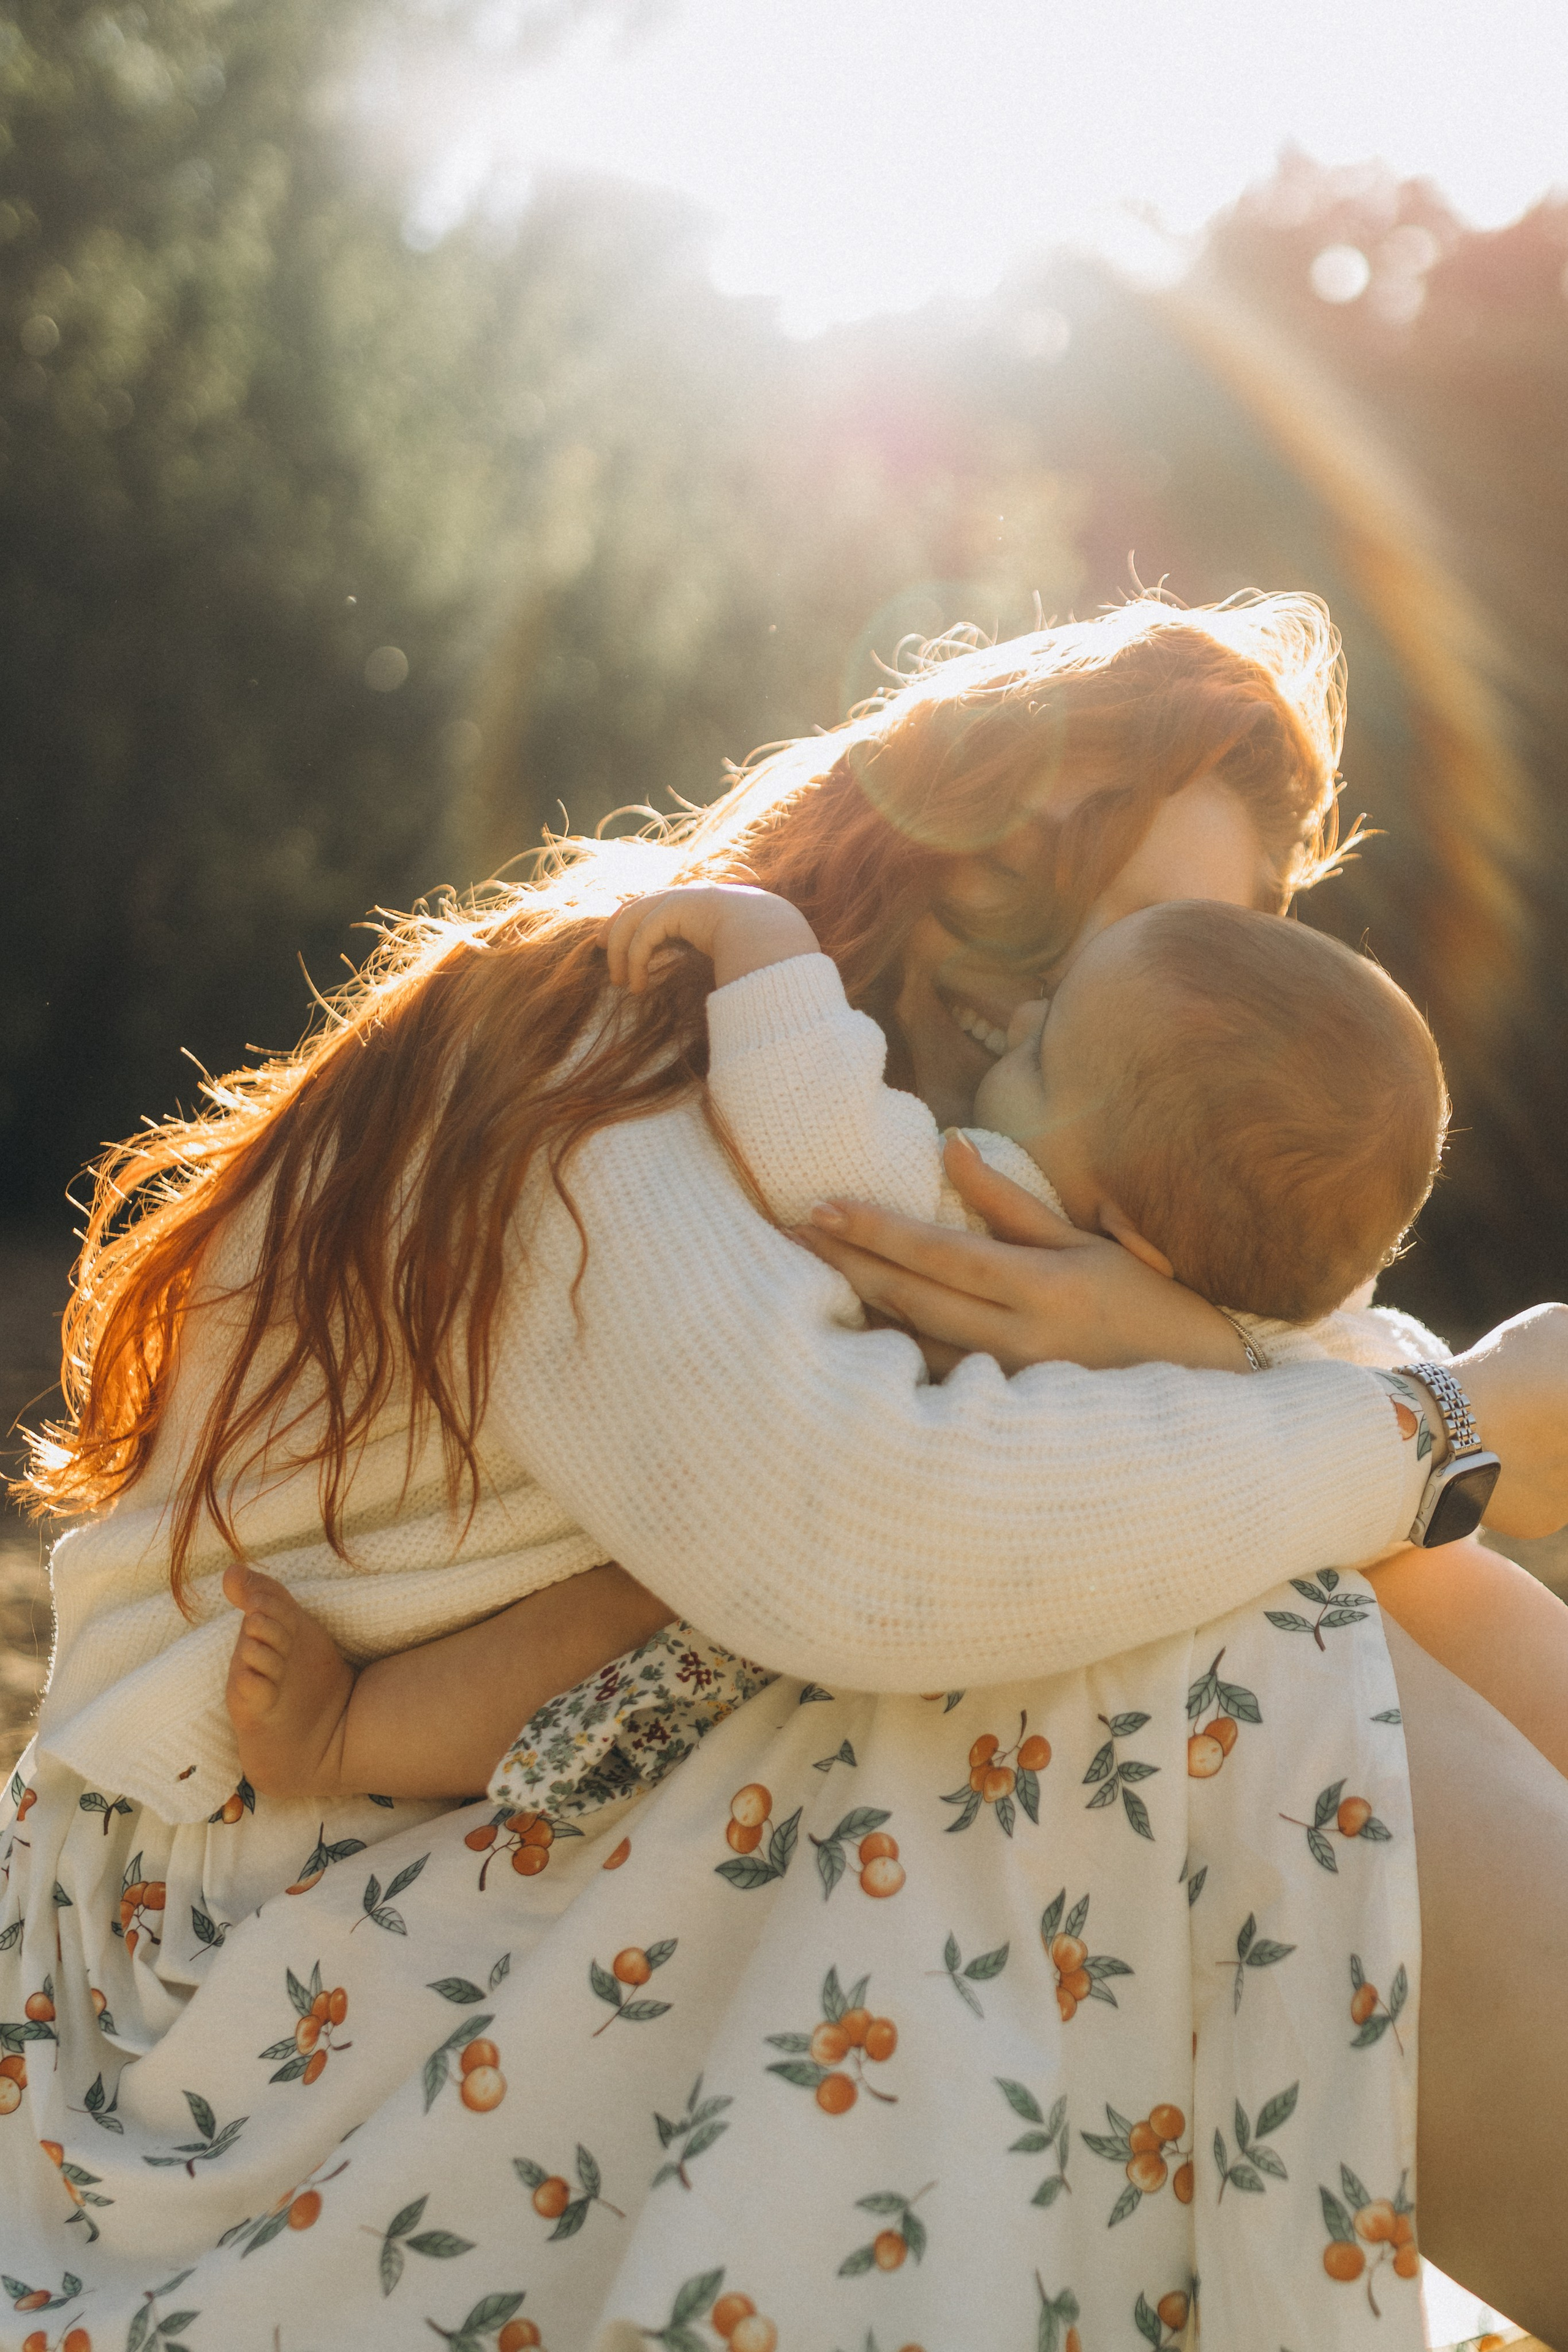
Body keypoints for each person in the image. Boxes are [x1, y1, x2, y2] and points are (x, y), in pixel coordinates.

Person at [4, 595, 1568, 2352]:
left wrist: (1249, 1381)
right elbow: (863, 1543)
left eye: (1251, 941)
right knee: (1230, 1651)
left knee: (1358, 1592)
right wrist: (1417, 1435)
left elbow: (1301, 1395)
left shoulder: (986, 1147)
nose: (1202, 1003)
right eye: (1160, 930)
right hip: (242, 1922)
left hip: (530, 1778)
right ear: (986, 896)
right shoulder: (613, 1032)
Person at [217, 883, 1456, 1808]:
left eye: (1043, 1044)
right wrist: (1202, 1346)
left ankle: (343, 1743)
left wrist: (761, 943)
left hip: (757, 1610)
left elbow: (810, 1138)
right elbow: (1352, 1373)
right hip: (801, 1644)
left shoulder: (984, 1196)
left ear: (1121, 1218)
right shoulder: (1247, 1323)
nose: (1017, 1018)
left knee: (591, 1620)